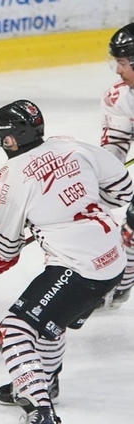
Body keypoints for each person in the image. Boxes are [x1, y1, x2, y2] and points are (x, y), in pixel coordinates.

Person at [0, 100, 132, 424]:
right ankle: (45, 381)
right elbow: (123, 191)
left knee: (14, 328)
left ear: (10, 140)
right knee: (51, 322)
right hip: (113, 260)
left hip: (79, 268)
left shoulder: (8, 180)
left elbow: (5, 253)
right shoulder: (70, 144)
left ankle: (41, 414)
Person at [100, 22, 134, 309]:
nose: (118, 70)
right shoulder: (119, 97)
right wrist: (106, 179)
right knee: (131, 231)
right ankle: (121, 285)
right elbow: (116, 142)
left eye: (122, 63)